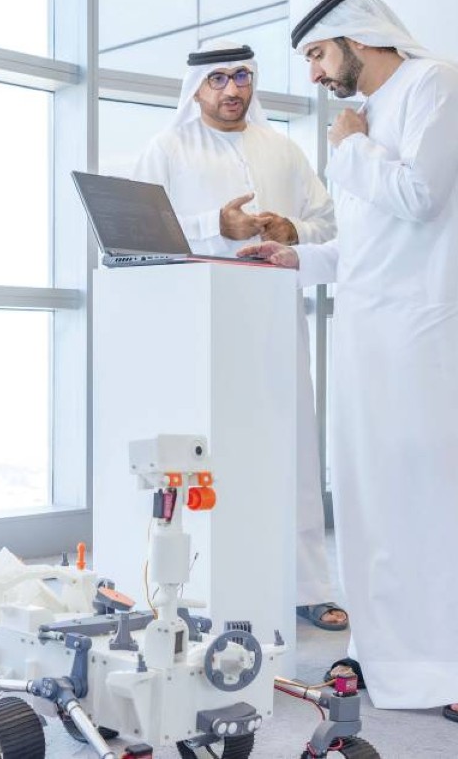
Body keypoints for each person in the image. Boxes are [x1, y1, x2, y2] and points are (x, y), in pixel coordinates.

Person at [238, 0, 458, 726]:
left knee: (454, 503)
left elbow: (420, 196)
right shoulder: (367, 115)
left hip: (434, 341)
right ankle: (395, 652)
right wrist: (295, 258)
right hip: (373, 345)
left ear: (358, 36)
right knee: (381, 509)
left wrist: (351, 147)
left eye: (318, 55)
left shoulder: (436, 87)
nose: (314, 74)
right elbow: (365, 245)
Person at [132, 42, 348, 632]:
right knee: (205, 453)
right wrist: (214, 227)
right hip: (199, 328)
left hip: (276, 321)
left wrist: (292, 228)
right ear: (197, 88)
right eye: (219, 79)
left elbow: (329, 223)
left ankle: (309, 587)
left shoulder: (283, 150)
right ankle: (200, 589)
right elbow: (140, 233)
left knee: (292, 449)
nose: (233, 90)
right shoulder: (167, 150)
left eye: (243, 77)